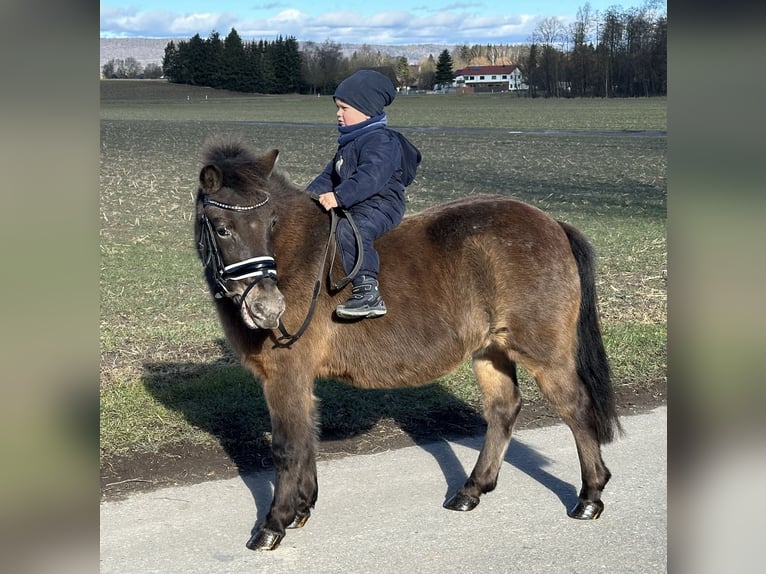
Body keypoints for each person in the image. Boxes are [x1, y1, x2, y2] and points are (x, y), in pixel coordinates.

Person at [306, 69, 419, 319]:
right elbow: (328, 177)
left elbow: (371, 177)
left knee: (350, 229)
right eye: (338, 107)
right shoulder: (349, 143)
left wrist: (339, 197)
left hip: (382, 203)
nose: (338, 113)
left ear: (366, 110)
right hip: (358, 201)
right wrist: (303, 200)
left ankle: (368, 292)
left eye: (344, 108)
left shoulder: (380, 141)